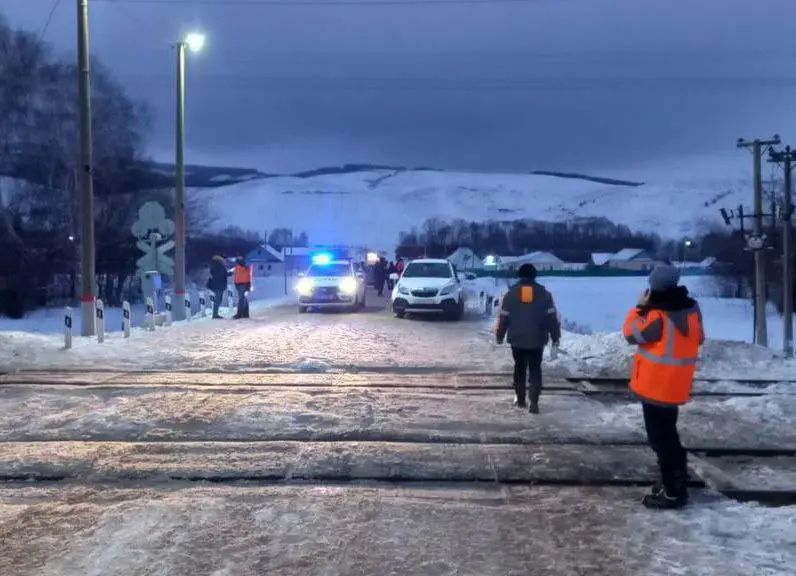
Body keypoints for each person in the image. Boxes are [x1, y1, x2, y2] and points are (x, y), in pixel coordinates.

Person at [623, 264, 704, 510]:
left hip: (655, 385)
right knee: (669, 435)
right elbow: (699, 337)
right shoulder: (691, 308)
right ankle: (676, 478)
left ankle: (673, 491)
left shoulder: (657, 314)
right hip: (676, 384)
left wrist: (639, 307)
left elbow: (631, 333)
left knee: (661, 440)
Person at [494, 263, 561, 414]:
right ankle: (534, 402)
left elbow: (503, 318)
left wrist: (500, 334)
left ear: (519, 275)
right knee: (535, 369)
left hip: (517, 340)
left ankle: (521, 399)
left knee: (519, 368)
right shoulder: (545, 294)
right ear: (534, 276)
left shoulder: (510, 295)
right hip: (537, 340)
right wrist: (555, 336)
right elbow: (552, 319)